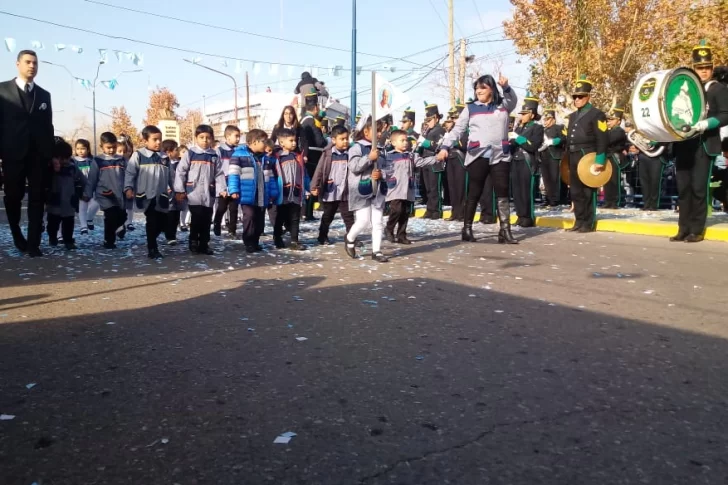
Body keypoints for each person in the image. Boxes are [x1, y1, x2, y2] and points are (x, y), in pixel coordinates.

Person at [437, 74, 518, 243]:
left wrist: (506, 87)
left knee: (502, 192)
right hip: (478, 155)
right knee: (474, 192)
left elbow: (513, 100)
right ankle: (467, 228)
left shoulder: (502, 105)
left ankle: (505, 230)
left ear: (491, 89)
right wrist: (445, 146)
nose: (478, 91)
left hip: (500, 154)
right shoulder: (471, 108)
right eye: (476, 88)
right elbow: (457, 130)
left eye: (483, 87)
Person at [671, 40, 728, 242]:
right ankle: (683, 228)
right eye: (699, 67)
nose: (703, 71)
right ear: (694, 68)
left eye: (707, 67)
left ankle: (697, 229)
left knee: (698, 188)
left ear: (712, 68)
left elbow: (725, 114)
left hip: (704, 144)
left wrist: (707, 123)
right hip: (685, 143)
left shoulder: (718, 88)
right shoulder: (686, 87)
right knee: (683, 187)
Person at [0, 50, 54, 257]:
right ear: (18, 64)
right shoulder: (3, 91)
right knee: (14, 196)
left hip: (38, 156)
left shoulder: (44, 95)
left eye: (35, 63)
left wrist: (51, 155)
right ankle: (16, 232)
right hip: (12, 153)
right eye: (28, 62)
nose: (32, 66)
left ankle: (34, 243)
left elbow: (48, 126)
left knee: (37, 198)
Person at [562, 75, 609, 233]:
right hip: (574, 154)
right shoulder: (573, 115)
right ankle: (579, 220)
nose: (577, 99)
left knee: (587, 190)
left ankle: (588, 222)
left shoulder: (597, 114)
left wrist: (600, 159)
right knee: (575, 190)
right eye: (575, 96)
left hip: (588, 154)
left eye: (580, 96)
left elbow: (602, 138)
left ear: (588, 96)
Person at [174, 124, 227, 255]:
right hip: (193, 192)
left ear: (212, 139)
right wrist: (180, 190)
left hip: (209, 193)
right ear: (196, 138)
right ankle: (193, 241)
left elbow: (219, 173)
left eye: (208, 138)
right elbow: (181, 171)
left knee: (207, 219)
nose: (205, 140)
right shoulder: (190, 153)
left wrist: (222, 188)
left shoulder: (214, 155)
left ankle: (204, 243)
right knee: (197, 218)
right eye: (201, 137)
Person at [228, 129, 282, 253]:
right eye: (264, 141)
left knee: (259, 219)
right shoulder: (239, 155)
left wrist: (273, 193)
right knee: (249, 216)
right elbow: (233, 174)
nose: (266, 144)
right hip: (247, 194)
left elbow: (271, 177)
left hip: (262, 194)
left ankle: (256, 241)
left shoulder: (266, 158)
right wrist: (234, 189)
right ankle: (248, 241)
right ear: (253, 142)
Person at [124, 125, 173, 259]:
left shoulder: (165, 157)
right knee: (151, 221)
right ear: (145, 141)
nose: (158, 142)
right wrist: (128, 188)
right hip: (146, 195)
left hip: (161, 195)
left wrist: (177, 190)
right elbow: (130, 173)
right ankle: (152, 248)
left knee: (162, 222)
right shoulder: (138, 155)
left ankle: (151, 240)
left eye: (160, 140)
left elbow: (171, 176)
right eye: (155, 139)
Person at [384, 130, 440, 244]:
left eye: (406, 140)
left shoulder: (411, 156)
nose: (405, 143)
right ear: (393, 143)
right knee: (396, 210)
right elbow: (384, 170)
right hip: (395, 189)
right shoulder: (390, 156)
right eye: (402, 140)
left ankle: (401, 235)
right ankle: (389, 228)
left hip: (407, 189)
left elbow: (422, 162)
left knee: (405, 213)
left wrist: (436, 158)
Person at [344, 116, 389, 262]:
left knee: (377, 221)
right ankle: (350, 238)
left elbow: (389, 169)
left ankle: (377, 251)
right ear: (366, 131)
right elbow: (354, 166)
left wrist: (382, 174)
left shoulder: (382, 149)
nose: (379, 134)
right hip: (361, 189)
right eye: (376, 130)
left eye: (381, 131)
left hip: (377, 191)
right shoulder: (356, 147)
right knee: (363, 221)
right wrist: (369, 157)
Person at [311, 124, 355, 245]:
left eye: (347, 138)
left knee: (349, 217)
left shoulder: (351, 153)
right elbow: (319, 171)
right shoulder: (328, 154)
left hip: (345, 191)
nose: (345, 141)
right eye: (342, 139)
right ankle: (322, 236)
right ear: (334, 140)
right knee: (328, 216)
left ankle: (351, 237)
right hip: (331, 191)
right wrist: (314, 186)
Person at [84, 132, 127, 249]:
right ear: (101, 146)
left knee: (122, 216)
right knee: (110, 217)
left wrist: (130, 189)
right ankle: (109, 241)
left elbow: (129, 176)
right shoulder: (98, 161)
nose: (111, 150)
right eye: (108, 147)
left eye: (114, 147)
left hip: (119, 194)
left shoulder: (122, 160)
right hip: (104, 194)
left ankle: (119, 228)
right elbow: (92, 179)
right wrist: (87, 193)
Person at [510, 94, 544, 228]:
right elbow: (513, 145)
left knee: (526, 190)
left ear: (532, 114)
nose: (521, 116)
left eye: (525, 113)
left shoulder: (537, 128)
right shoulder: (518, 128)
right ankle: (520, 215)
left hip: (527, 161)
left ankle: (528, 217)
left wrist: (518, 139)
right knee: (517, 190)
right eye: (521, 113)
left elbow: (533, 146)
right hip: (516, 160)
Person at [47, 137, 87, 250]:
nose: (65, 161)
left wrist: (86, 191)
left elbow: (83, 180)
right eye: (62, 158)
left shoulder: (72, 168)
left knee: (69, 224)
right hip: (55, 202)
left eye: (67, 158)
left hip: (69, 202)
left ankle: (68, 241)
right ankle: (52, 237)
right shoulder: (51, 168)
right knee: (52, 224)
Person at [273, 128, 308, 250]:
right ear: (281, 143)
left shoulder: (298, 157)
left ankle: (294, 241)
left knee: (295, 218)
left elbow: (304, 175)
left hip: (296, 193)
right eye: (291, 140)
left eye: (295, 140)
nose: (294, 143)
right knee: (280, 217)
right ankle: (277, 238)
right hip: (283, 194)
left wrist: (307, 189)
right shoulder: (277, 158)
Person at [300, 90, 327, 221]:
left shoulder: (303, 120)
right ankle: (307, 213)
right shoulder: (312, 121)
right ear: (316, 108)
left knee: (307, 184)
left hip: (306, 155)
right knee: (311, 184)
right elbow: (319, 141)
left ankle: (306, 212)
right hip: (312, 157)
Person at [419, 102, 447, 219]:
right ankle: (430, 209)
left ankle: (436, 210)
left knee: (435, 188)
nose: (427, 122)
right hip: (426, 160)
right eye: (426, 120)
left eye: (429, 120)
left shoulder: (440, 130)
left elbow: (438, 146)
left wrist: (425, 142)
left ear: (436, 118)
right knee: (428, 188)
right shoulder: (428, 131)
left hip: (435, 161)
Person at [213, 125, 241, 238]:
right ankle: (217, 223)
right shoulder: (220, 151)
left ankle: (232, 230)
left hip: (235, 184)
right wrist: (220, 188)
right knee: (222, 208)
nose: (238, 139)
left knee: (234, 208)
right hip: (224, 184)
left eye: (239, 136)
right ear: (228, 136)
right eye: (236, 136)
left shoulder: (238, 151)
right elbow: (217, 169)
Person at [444, 102, 468, 221]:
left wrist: (454, 140)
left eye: (456, 117)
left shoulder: (466, 130)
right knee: (452, 187)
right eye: (453, 118)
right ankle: (455, 212)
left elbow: (465, 146)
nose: (454, 120)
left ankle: (462, 213)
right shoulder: (452, 131)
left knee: (460, 187)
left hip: (460, 159)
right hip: (451, 159)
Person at [538, 109, 565, 208]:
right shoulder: (542, 130)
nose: (546, 121)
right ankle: (548, 199)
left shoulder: (559, 127)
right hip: (544, 156)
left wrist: (554, 141)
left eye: (548, 119)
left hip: (555, 156)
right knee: (546, 179)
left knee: (554, 178)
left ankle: (555, 199)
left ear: (553, 119)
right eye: (544, 119)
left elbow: (564, 138)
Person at [603, 104, 628, 209]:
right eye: (608, 120)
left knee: (614, 180)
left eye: (611, 120)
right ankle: (608, 201)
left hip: (615, 157)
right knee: (607, 180)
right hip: (608, 156)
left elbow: (608, 141)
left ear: (618, 121)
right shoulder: (608, 131)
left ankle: (615, 202)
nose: (608, 122)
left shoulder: (619, 131)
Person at [73, 138, 98, 234]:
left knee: (95, 204)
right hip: (80, 187)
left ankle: (89, 218)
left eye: (83, 148)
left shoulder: (92, 160)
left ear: (88, 149)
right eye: (78, 148)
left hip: (92, 187)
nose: (80, 151)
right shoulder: (73, 161)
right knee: (82, 207)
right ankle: (83, 227)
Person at [162, 139, 183, 244]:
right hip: (168, 193)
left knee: (176, 214)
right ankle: (169, 236)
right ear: (168, 152)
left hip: (177, 192)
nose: (178, 151)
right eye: (176, 149)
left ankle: (173, 234)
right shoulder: (164, 163)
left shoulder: (179, 163)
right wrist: (167, 188)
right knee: (170, 214)